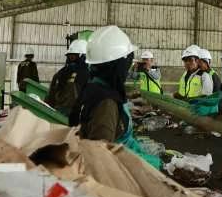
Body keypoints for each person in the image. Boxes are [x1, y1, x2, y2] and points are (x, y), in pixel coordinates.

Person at [67, 27, 165, 170]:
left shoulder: (94, 87)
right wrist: (152, 165)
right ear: (118, 65)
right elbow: (101, 156)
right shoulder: (106, 102)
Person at [48, 40, 89, 115]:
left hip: (58, 112)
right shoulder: (86, 74)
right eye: (70, 56)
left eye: (72, 57)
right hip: (70, 115)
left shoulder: (60, 73)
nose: (70, 59)